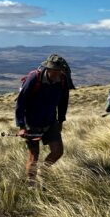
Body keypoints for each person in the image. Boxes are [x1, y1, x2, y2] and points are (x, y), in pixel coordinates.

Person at [15, 54, 70, 186]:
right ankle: (31, 185)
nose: (58, 73)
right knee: (34, 156)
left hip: (51, 121)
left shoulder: (62, 80)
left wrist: (61, 121)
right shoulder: (34, 78)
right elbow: (20, 103)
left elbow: (63, 102)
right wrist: (22, 126)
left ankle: (42, 172)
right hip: (32, 123)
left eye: (60, 70)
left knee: (58, 151)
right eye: (55, 71)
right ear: (48, 69)